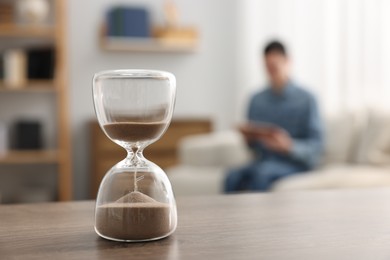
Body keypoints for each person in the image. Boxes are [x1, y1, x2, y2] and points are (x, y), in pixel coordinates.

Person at [224, 40, 324, 192]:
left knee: (261, 174)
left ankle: (257, 216)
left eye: (275, 66)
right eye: (268, 67)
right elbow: (253, 147)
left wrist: (289, 146)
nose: (272, 71)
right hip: (263, 161)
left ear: (287, 61)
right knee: (232, 176)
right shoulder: (256, 99)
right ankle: (228, 217)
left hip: (293, 164)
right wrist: (249, 139)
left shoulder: (307, 99)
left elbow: (316, 147)